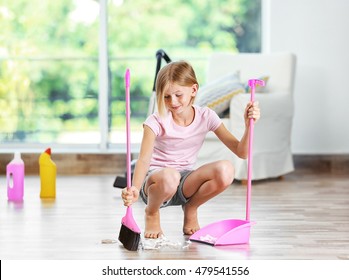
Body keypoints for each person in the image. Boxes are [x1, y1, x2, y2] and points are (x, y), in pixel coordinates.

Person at [121, 60, 260, 239]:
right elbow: (143, 160)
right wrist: (134, 188)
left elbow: (242, 152)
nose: (173, 102)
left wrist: (249, 126)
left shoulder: (206, 116)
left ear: (193, 90)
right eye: (166, 97)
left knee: (226, 170)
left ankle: (191, 208)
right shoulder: (155, 121)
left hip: (185, 182)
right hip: (156, 182)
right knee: (170, 176)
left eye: (178, 95)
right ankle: (152, 213)